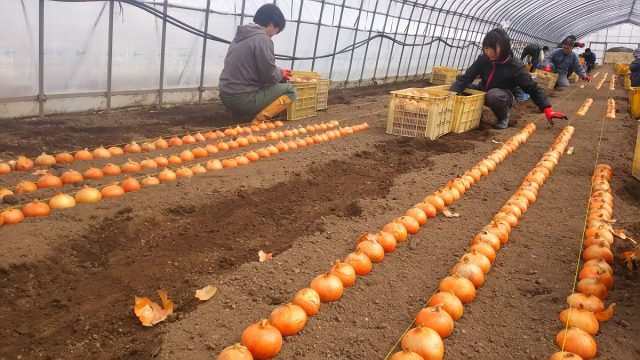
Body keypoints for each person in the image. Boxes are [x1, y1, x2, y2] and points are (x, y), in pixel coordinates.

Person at [449, 28, 567, 129]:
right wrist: (450, 94)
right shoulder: (483, 59)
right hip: (483, 89)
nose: (488, 52)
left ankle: (503, 117)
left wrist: (547, 109)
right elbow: (466, 77)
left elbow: (532, 88)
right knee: (458, 85)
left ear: (504, 48)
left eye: (492, 48)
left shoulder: (515, 66)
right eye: (486, 48)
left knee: (494, 95)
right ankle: (474, 117)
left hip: (504, 96)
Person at [218, 4, 296, 124]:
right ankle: (257, 122)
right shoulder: (262, 39)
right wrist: (281, 73)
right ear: (271, 24)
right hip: (241, 99)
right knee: (290, 90)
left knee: (263, 85)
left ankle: (240, 118)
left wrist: (278, 72)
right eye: (276, 31)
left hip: (225, 95)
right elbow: (269, 76)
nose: (274, 35)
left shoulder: (242, 35)